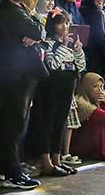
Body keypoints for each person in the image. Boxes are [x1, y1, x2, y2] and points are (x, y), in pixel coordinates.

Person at [0, 0, 44, 190]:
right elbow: (36, 30)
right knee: (12, 124)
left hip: (20, 73)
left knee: (16, 122)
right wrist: (36, 32)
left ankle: (11, 166)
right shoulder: (7, 10)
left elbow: (38, 31)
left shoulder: (18, 7)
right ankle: (13, 172)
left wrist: (35, 32)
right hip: (12, 74)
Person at [28, 11, 86, 176]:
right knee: (48, 122)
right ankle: (45, 160)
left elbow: (80, 66)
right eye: (61, 23)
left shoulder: (69, 43)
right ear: (52, 25)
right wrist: (62, 47)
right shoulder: (47, 43)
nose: (65, 27)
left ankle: (57, 158)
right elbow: (52, 64)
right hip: (51, 87)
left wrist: (77, 51)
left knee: (61, 122)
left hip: (68, 85)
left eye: (67, 23)